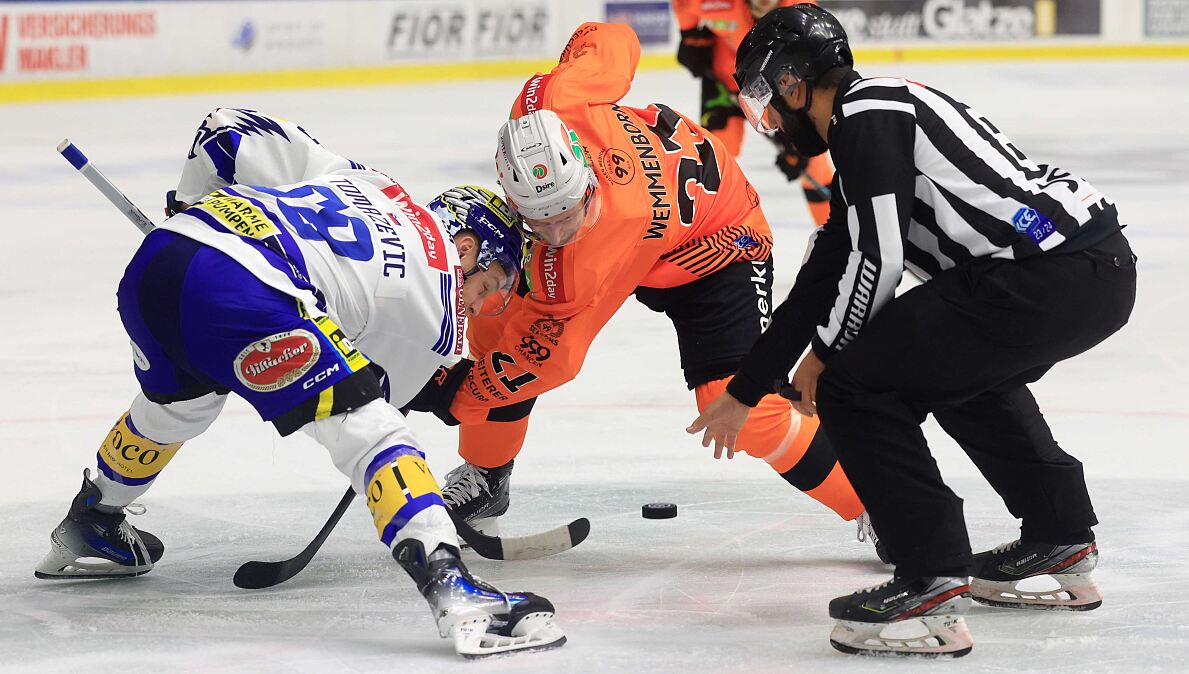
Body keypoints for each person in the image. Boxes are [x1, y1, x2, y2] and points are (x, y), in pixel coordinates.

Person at [688, 5, 1137, 658]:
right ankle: (1057, 532)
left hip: (1051, 273)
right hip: (1085, 271)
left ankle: (929, 575)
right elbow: (824, 274)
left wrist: (824, 359)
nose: (768, 121)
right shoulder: (871, 123)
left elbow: (879, 258)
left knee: (854, 385)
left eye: (763, 96)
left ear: (789, 83)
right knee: (960, 371)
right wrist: (748, 386)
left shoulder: (867, 115)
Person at [34, 108, 566, 659]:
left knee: (177, 407)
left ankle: (92, 520)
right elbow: (391, 397)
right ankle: (459, 596)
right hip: (248, 289)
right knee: (372, 431)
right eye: (495, 285)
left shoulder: (368, 181)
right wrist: (441, 392)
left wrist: (186, 208)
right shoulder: (438, 309)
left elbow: (226, 131)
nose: (483, 305)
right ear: (465, 249)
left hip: (159, 264)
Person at [406, 22, 870, 548]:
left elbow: (545, 360)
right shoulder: (554, 101)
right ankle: (487, 472)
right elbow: (612, 38)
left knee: (742, 409)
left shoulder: (586, 254)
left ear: (582, 168)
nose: (561, 232)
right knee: (496, 308)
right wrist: (574, 63)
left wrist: (448, 394)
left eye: (570, 213)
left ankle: (876, 500)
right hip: (657, 231)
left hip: (718, 244)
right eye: (544, 222)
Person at [672, 0, 834, 226]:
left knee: (812, 162)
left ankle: (835, 233)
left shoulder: (802, 13)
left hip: (778, 93)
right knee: (714, 155)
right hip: (725, 82)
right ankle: (695, 231)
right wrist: (689, 34)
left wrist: (801, 131)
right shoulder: (714, 3)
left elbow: (816, 74)